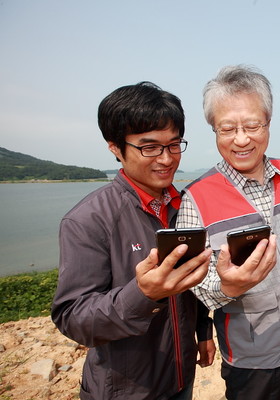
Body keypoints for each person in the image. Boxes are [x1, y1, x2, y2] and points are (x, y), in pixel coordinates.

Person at [176, 65, 280, 400]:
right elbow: (195, 282)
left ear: (268, 122)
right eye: (228, 129)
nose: (241, 139)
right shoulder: (196, 199)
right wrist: (229, 285)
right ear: (214, 130)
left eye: (252, 126)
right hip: (251, 355)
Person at [51, 82, 216, 400]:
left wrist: (203, 330)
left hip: (181, 377)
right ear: (115, 147)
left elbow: (191, 282)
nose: (166, 159)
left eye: (174, 145)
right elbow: (72, 317)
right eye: (149, 147)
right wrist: (142, 294)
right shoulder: (88, 220)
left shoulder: (186, 206)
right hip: (125, 389)